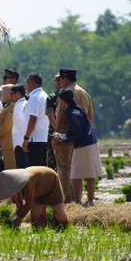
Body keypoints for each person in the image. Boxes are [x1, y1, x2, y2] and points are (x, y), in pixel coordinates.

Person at [54, 89, 102, 206]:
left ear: (63, 101)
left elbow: (78, 133)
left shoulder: (71, 113)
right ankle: (90, 200)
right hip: (92, 142)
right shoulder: (79, 108)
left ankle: (77, 201)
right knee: (90, 174)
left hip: (83, 145)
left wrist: (62, 137)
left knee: (76, 175)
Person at [53, 68, 93, 203]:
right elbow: (90, 117)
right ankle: (79, 198)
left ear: (65, 78)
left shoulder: (64, 93)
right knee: (79, 171)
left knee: (64, 168)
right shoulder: (85, 93)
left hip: (65, 136)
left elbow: (61, 114)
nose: (59, 82)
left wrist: (56, 135)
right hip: (82, 139)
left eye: (60, 79)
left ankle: (68, 199)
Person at [0, 166, 69, 228]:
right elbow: (18, 200)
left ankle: (66, 229)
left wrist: (19, 218)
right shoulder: (13, 184)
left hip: (51, 183)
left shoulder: (28, 182)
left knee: (59, 213)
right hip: (38, 190)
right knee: (35, 218)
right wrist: (19, 209)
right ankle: (39, 233)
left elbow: (29, 202)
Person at [22, 72, 50, 167]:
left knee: (35, 168)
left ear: (32, 83)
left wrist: (26, 138)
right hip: (43, 136)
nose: (27, 85)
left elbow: (33, 119)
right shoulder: (44, 95)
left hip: (34, 138)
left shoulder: (34, 97)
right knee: (41, 167)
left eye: (27, 82)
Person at [0, 85, 16, 170]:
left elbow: (7, 125)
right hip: (5, 141)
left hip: (9, 141)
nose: (2, 95)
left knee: (11, 167)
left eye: (3, 93)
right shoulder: (7, 105)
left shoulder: (13, 107)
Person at [45, 74, 61, 170]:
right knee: (52, 162)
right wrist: (59, 131)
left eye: (60, 80)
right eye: (57, 80)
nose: (58, 82)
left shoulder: (71, 96)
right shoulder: (52, 97)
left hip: (66, 133)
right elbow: (51, 117)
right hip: (54, 132)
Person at [11, 84, 29, 168]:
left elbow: (23, 124)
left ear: (18, 93)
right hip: (21, 141)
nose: (11, 96)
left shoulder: (20, 105)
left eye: (12, 94)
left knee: (22, 168)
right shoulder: (23, 104)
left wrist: (23, 141)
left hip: (20, 142)